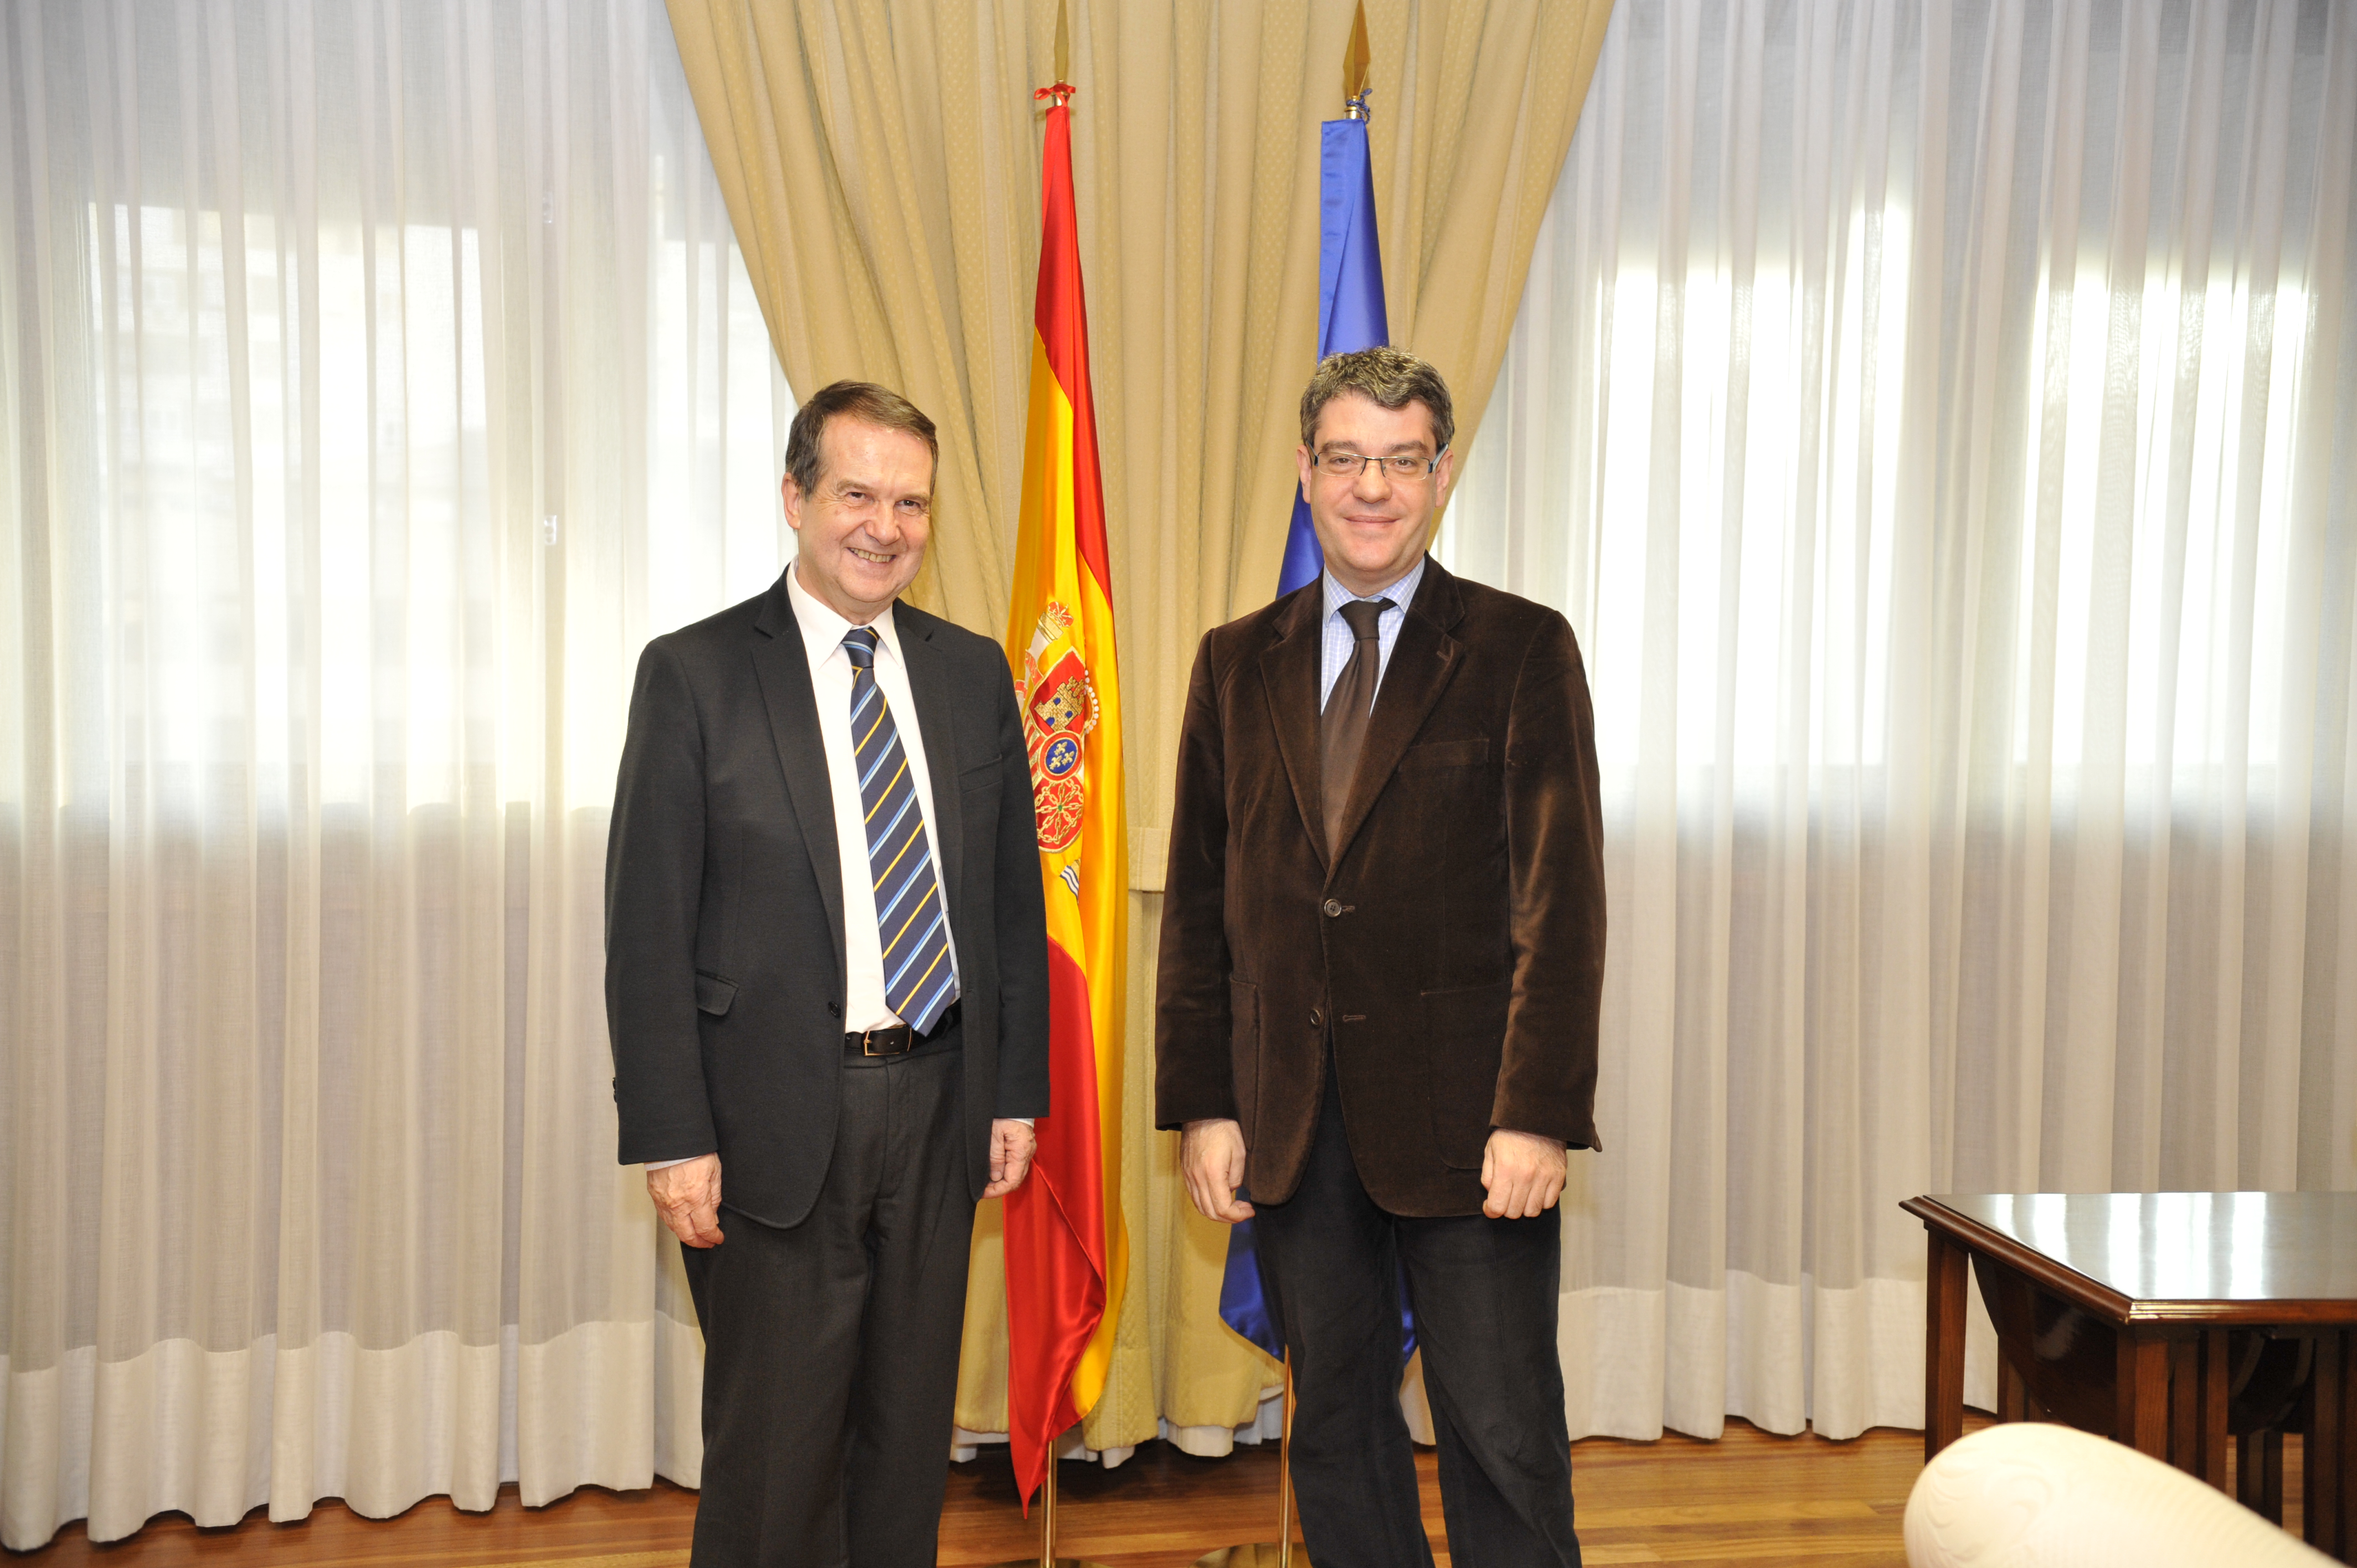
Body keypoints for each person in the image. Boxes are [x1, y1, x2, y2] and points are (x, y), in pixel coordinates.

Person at [1155, 345, 1606, 1567]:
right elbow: (1202, 900)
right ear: (1304, 472)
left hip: (1473, 1127)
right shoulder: (1232, 659)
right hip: (1292, 1120)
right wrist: (1203, 1103)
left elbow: (1559, 908)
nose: (1372, 488)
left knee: (1501, 1428)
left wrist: (1538, 1115)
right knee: (1336, 1431)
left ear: (1441, 474)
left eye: (1401, 461)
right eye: (1346, 459)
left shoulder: (1521, 649)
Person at [605, 380, 1048, 1568]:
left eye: (910, 502)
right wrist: (671, 1133)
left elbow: (1012, 902)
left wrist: (1014, 1092)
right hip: (768, 1125)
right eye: (857, 493)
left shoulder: (969, 673)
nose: (884, 526)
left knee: (904, 1446)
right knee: (774, 1454)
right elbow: (645, 927)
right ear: (795, 497)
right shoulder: (693, 674)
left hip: (940, 1102)